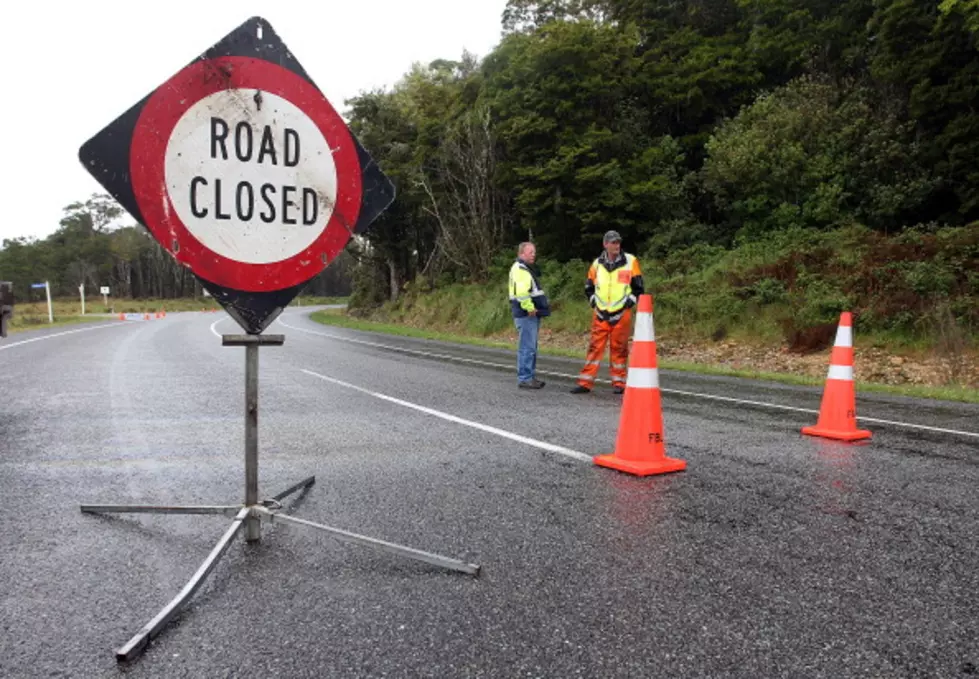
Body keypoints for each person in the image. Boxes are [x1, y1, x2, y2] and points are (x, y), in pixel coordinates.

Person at [571, 230, 644, 394]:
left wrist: (629, 303)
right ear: (605, 245)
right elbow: (588, 287)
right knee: (594, 348)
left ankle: (619, 382)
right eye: (613, 243)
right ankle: (585, 382)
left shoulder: (631, 261)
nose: (616, 245)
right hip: (600, 313)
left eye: (618, 242)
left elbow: (638, 287)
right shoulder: (597, 264)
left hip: (621, 312)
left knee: (619, 348)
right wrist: (593, 302)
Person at [508, 241, 550, 389]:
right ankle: (525, 378)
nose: (534, 254)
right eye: (530, 252)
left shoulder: (523, 268)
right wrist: (530, 308)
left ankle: (529, 376)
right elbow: (521, 293)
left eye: (534, 252)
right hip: (527, 314)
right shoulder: (520, 269)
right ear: (521, 253)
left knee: (530, 347)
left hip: (528, 314)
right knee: (527, 347)